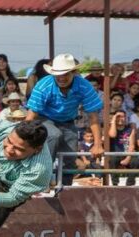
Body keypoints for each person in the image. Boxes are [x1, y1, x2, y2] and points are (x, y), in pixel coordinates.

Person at [25, 54, 102, 186]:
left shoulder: (84, 86)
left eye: (65, 73)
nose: (61, 78)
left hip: (68, 122)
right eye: (57, 74)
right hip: (44, 119)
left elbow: (93, 116)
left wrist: (98, 144)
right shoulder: (43, 86)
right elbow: (31, 115)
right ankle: (42, 180)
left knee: (70, 156)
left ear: (74, 72)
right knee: (54, 135)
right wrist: (24, 139)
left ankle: (65, 190)